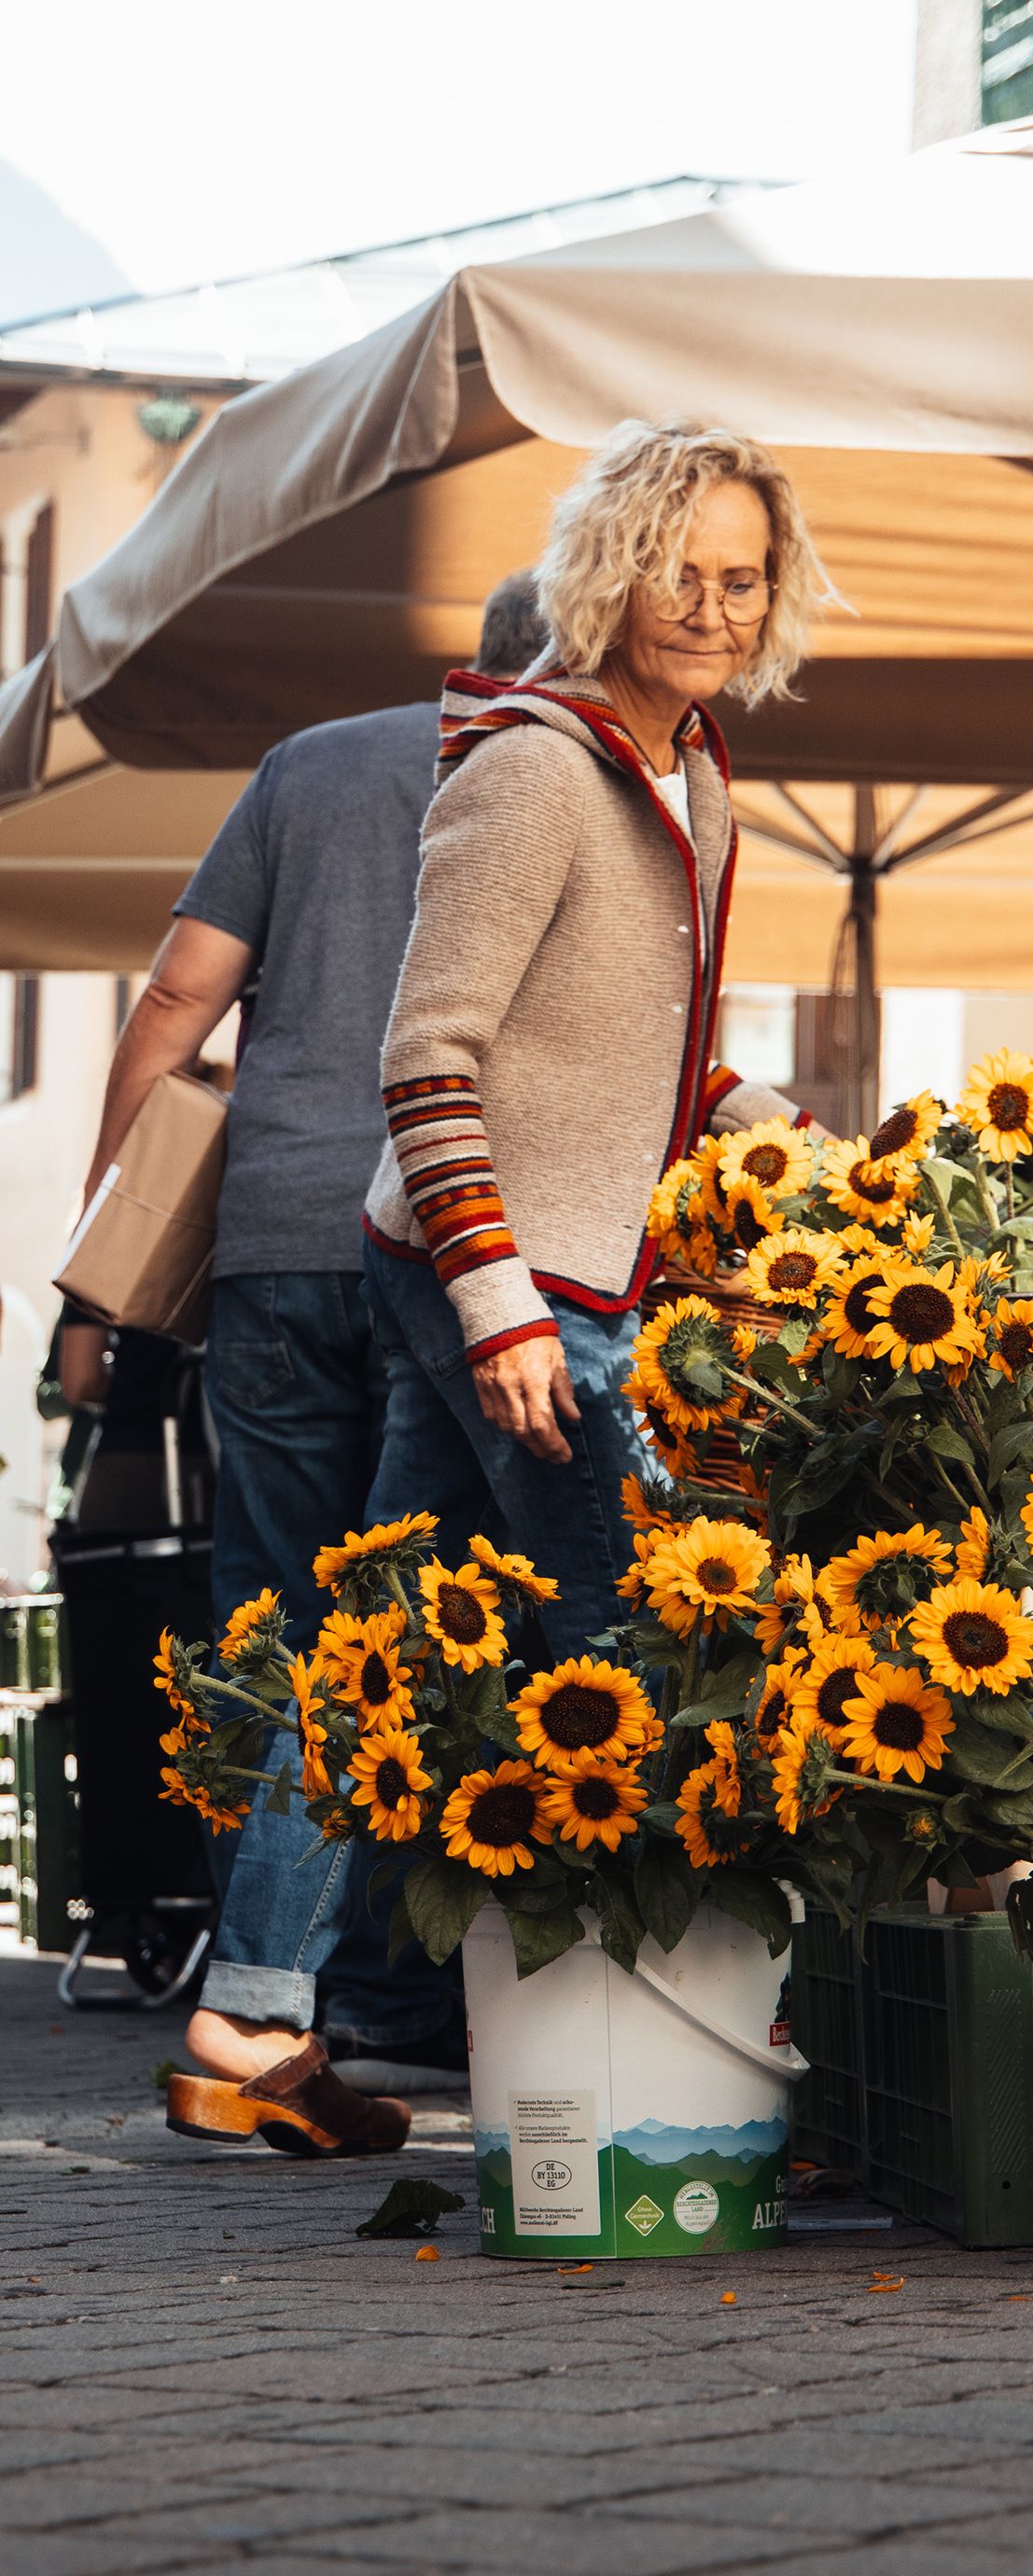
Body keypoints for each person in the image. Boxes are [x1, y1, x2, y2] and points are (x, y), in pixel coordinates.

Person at [85, 577, 547, 2137]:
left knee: (272, 1621)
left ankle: (289, 1999)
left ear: (466, 654)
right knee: (413, 1620)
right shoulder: (578, 780)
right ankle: (346, 1995)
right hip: (447, 1241)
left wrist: (115, 1262)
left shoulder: (311, 762)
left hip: (276, 1240)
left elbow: (174, 1004)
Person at [356, 418, 819, 1651]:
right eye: (673, 570)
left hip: (576, 1260)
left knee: (389, 1661)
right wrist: (499, 1307)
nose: (707, 609)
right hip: (518, 1270)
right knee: (637, 1631)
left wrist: (824, 1153)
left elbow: (639, 1050)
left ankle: (311, 1839)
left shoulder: (693, 773)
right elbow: (428, 1054)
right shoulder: (535, 773)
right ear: (607, 567)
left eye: (738, 579)